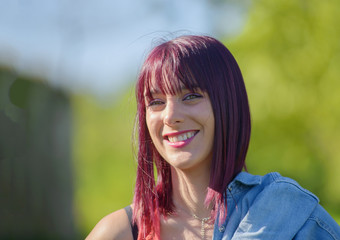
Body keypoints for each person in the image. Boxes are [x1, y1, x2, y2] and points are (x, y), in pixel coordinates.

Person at [86, 35, 340, 240]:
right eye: (156, 102)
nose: (170, 116)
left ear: (228, 105)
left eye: (191, 96)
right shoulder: (119, 232)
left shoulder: (287, 214)